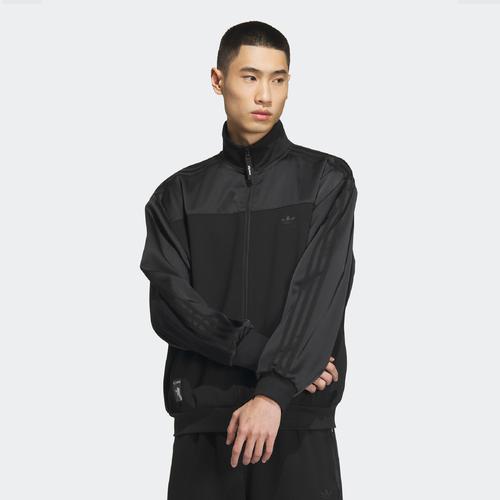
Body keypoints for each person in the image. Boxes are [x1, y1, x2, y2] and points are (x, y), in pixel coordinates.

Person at [140, 20, 357, 500]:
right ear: (218, 80)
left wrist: (275, 393)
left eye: (278, 79)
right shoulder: (176, 197)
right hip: (205, 428)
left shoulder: (326, 180)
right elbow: (172, 308)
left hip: (298, 424)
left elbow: (320, 293)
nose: (265, 95)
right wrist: (271, 357)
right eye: (250, 77)